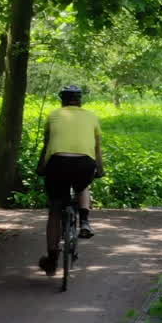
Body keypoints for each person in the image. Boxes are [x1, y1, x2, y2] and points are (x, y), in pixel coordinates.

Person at [34, 85, 104, 275]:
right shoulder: (91, 116)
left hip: (57, 163)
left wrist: (41, 167)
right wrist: (100, 169)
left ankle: (52, 259)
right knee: (83, 185)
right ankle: (85, 222)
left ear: (62, 100)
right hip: (85, 163)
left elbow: (47, 144)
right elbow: (97, 148)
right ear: (80, 101)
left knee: (55, 212)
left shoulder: (54, 115)